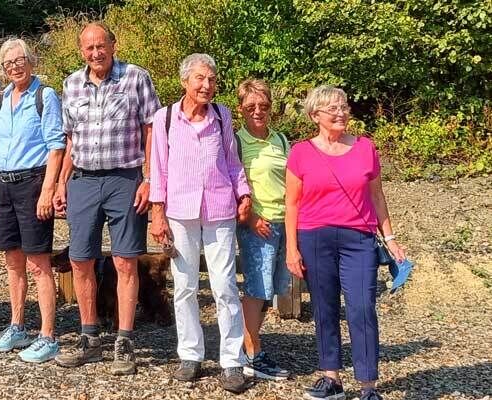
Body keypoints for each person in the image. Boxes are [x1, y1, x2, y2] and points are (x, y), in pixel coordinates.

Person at [52, 22, 161, 372]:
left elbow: (152, 130)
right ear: (81, 51)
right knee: (80, 260)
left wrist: (149, 179)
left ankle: (124, 340)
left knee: (125, 261)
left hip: (124, 178)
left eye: (101, 46)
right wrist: (60, 182)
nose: (96, 53)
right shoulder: (71, 84)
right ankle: (89, 336)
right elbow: (70, 138)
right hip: (83, 180)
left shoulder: (136, 78)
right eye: (89, 48)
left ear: (113, 45)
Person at [286, 85, 405, 400]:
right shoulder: (300, 152)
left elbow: (377, 196)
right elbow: (292, 204)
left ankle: (368, 386)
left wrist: (390, 238)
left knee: (362, 307)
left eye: (344, 107)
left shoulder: (366, 148)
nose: (341, 113)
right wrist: (291, 249)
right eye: (333, 109)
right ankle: (331, 379)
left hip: (359, 239)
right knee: (324, 308)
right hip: (314, 237)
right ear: (315, 115)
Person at [148, 54, 251, 393]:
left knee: (224, 286)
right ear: (185, 82)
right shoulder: (165, 118)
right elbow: (158, 169)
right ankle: (190, 354)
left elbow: (232, 162)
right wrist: (157, 213)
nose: (207, 85)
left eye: (211, 79)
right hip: (180, 211)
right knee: (185, 285)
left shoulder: (222, 115)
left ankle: (232, 360)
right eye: (200, 79)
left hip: (220, 209)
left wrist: (243, 193)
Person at [0, 39, 65, 363]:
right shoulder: (2, 98)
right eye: (8, 63)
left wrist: (48, 190)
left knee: (38, 263)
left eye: (20, 61)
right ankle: (17, 325)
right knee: (12, 260)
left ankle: (48, 335)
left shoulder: (45, 96)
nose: (15, 67)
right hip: (4, 184)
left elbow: (56, 147)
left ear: (31, 61)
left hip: (32, 183)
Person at [234, 78, 291, 380]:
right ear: (240, 109)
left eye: (264, 106)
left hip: (284, 221)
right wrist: (251, 218)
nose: (258, 111)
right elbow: (231, 183)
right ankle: (252, 352)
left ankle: (252, 343)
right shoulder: (236, 142)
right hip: (257, 224)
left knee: (271, 288)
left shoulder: (280, 140)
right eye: (251, 106)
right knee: (256, 289)